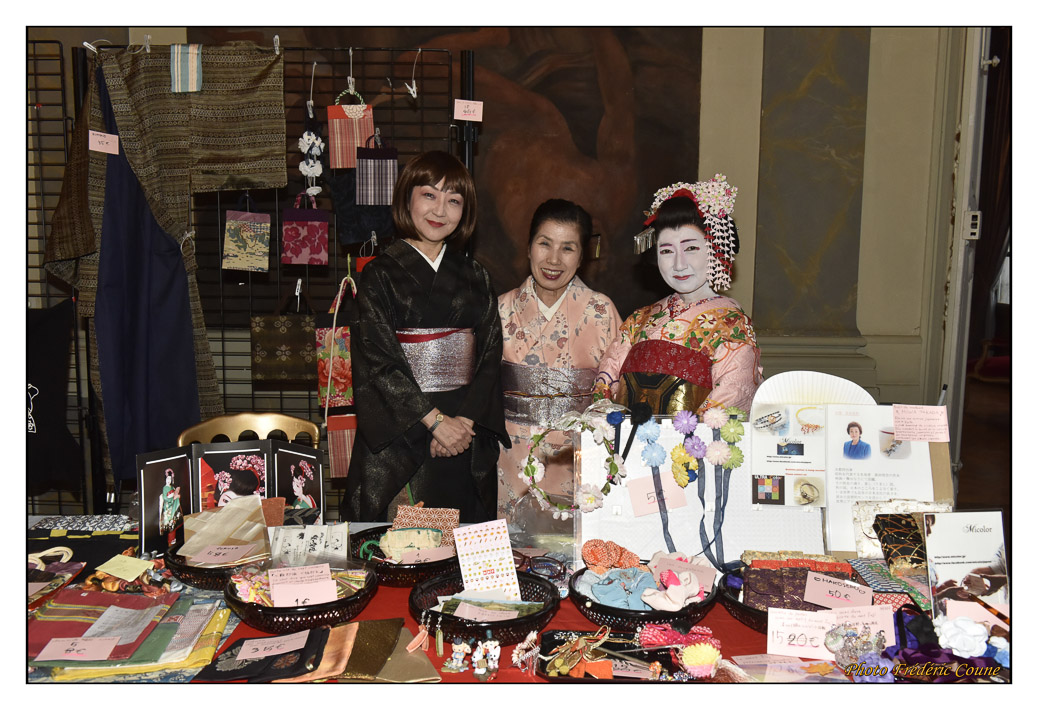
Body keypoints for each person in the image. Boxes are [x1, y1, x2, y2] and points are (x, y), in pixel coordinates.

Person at [344, 151, 509, 523]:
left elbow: (489, 355)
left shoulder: (476, 275)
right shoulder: (379, 276)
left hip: (463, 434)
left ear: (465, 211)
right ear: (407, 198)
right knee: (403, 543)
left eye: (454, 200)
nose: (440, 210)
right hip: (403, 434)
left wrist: (463, 423)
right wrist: (436, 423)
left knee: (461, 543)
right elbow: (378, 361)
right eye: (429, 195)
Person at [594, 176, 763, 415]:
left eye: (691, 248)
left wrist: (681, 434)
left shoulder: (732, 325)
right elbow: (605, 386)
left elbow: (729, 400)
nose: (679, 264)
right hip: (625, 437)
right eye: (666, 251)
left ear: (715, 250)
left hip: (691, 437)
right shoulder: (638, 320)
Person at [496, 199, 620, 520]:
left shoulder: (601, 311)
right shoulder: (501, 310)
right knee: (513, 542)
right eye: (544, 244)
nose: (554, 259)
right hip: (512, 457)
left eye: (567, 248)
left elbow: (618, 392)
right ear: (528, 247)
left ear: (582, 257)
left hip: (578, 456)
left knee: (576, 541)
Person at [158, 468, 182, 534]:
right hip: (167, 504)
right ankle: (168, 527)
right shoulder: (165, 488)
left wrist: (177, 495)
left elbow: (175, 494)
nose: (169, 480)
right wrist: (172, 495)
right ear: (165, 479)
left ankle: (173, 525)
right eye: (167, 479)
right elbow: (165, 497)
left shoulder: (172, 487)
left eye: (170, 479)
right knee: (168, 518)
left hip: (173, 503)